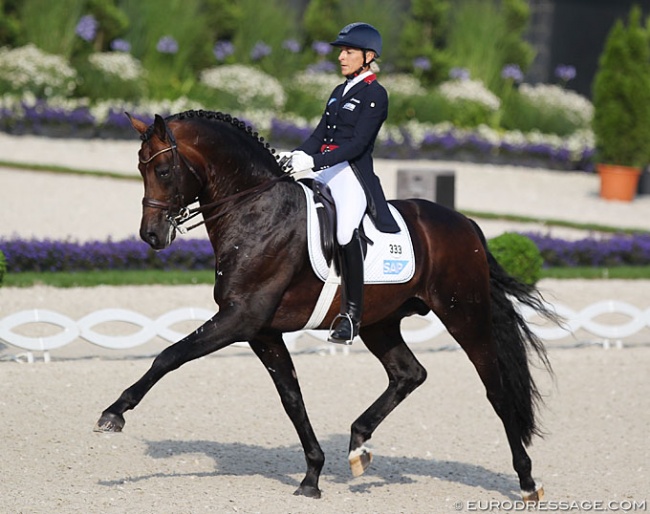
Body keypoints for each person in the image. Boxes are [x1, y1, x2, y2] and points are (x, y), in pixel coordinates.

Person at [283, 22, 400, 344]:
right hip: (324, 168)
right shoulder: (338, 92)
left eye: (348, 52)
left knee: (346, 229)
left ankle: (351, 315)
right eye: (342, 52)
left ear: (368, 56)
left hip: (351, 173)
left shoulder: (375, 95)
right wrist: (293, 157)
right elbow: (319, 135)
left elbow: (357, 145)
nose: (341, 57)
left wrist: (315, 161)